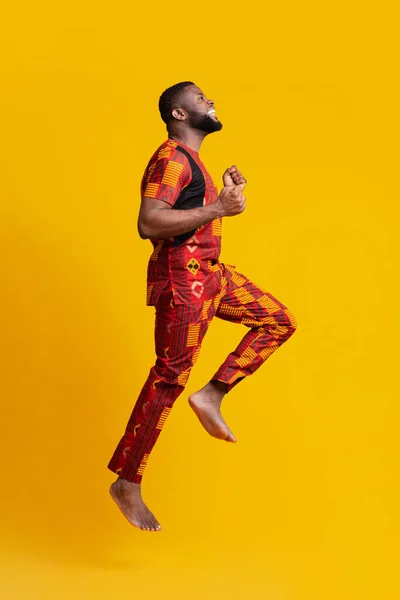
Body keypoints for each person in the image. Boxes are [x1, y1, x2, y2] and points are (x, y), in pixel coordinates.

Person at [108, 82, 297, 532]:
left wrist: (222, 201)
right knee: (169, 377)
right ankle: (127, 481)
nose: (210, 100)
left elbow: (195, 212)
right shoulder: (171, 158)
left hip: (210, 272)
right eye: (200, 97)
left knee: (278, 320)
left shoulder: (193, 162)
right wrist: (217, 207)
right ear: (178, 113)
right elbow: (149, 222)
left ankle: (212, 394)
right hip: (183, 278)